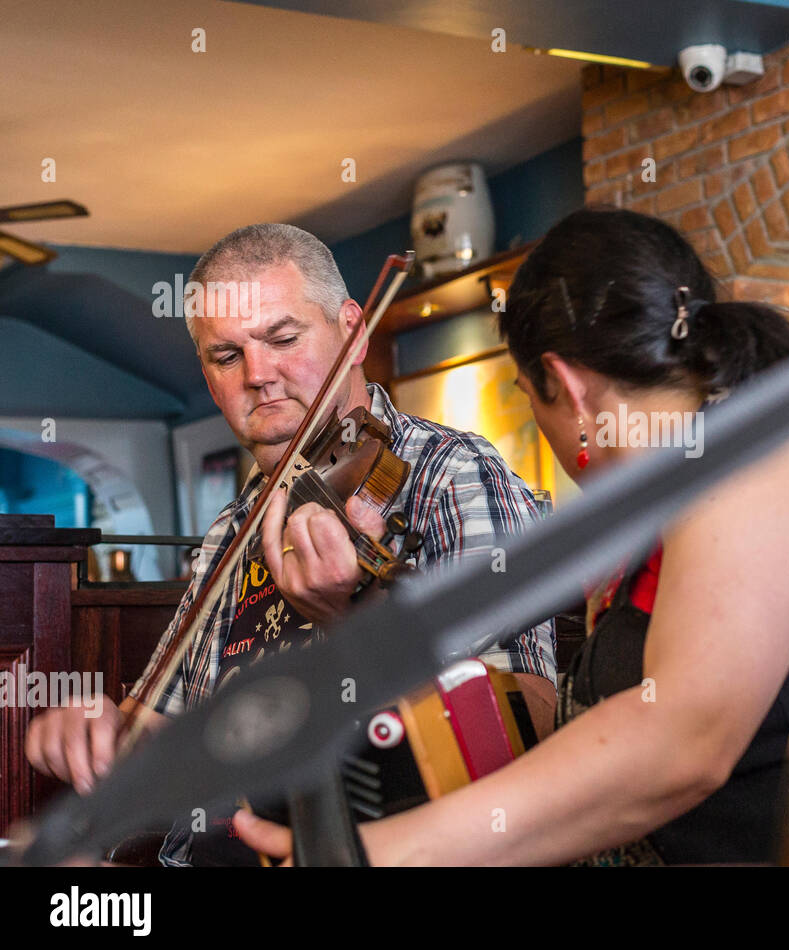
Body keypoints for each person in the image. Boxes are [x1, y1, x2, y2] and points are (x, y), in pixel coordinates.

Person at [235, 207, 789, 865]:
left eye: (532, 399)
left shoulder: (755, 472)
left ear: (566, 385)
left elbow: (681, 743)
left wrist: (385, 852)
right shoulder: (681, 497)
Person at [24, 223, 556, 864]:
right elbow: (155, 728)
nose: (259, 375)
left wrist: (353, 617)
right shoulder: (232, 528)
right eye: (227, 357)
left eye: (283, 338)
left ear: (354, 332)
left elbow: (527, 725)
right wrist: (99, 727)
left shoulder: (445, 473)